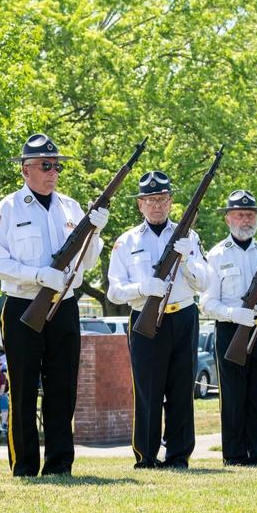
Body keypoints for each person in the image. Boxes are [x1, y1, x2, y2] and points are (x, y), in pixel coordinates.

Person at [0, 133, 110, 476]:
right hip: (24, 306)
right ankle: (24, 464)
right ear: (26, 170)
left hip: (64, 306)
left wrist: (95, 235)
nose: (52, 171)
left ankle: (59, 465)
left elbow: (85, 263)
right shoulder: (6, 209)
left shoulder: (70, 207)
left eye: (55, 165)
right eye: (45, 165)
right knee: (23, 388)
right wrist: (37, 275)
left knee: (62, 387)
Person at [107, 171, 213, 469]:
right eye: (151, 200)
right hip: (145, 319)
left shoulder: (189, 236)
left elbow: (206, 283)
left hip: (183, 316)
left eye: (163, 199)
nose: (157, 205)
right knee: (148, 390)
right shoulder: (126, 241)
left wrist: (188, 260)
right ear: (140, 204)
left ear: (171, 202)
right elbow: (114, 290)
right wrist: (141, 289)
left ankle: (178, 456)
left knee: (182, 389)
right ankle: (146, 455)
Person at [200, 190, 257, 466]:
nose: (246, 219)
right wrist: (233, 313)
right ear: (228, 219)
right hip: (230, 330)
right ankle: (235, 455)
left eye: (250, 215)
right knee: (233, 393)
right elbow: (206, 303)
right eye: (239, 214)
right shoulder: (216, 255)